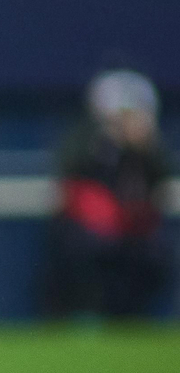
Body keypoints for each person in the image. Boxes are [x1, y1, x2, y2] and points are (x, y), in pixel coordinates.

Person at [45, 69, 173, 318]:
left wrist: (143, 148)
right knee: (79, 250)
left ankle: (135, 317)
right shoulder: (86, 141)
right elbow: (68, 177)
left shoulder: (147, 148)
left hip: (135, 233)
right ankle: (83, 316)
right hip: (88, 233)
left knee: (153, 256)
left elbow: (161, 180)